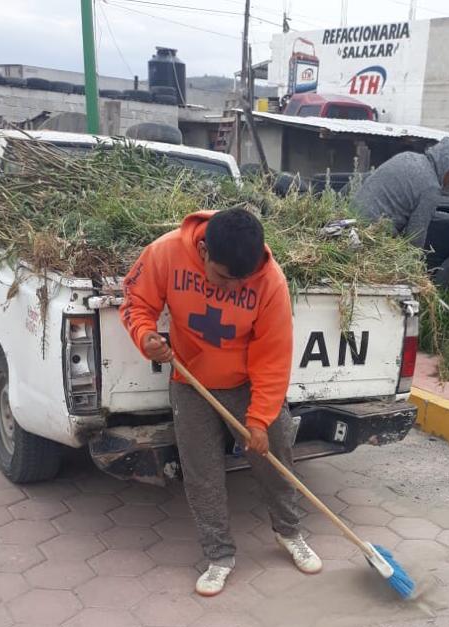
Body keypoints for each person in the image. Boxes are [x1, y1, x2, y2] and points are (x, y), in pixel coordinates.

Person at [120, 207, 322, 597]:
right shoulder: (165, 253)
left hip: (246, 383)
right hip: (190, 382)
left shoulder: (270, 282)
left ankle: (289, 532)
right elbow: (136, 300)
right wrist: (146, 336)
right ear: (204, 251)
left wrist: (260, 419)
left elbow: (272, 357)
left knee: (275, 454)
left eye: (241, 282)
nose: (231, 289)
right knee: (202, 473)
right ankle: (219, 556)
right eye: (225, 278)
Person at [350, 136, 449, 248]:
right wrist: (414, 266)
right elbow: (415, 237)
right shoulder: (431, 187)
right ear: (445, 165)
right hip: (372, 232)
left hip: (351, 217)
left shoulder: (408, 156)